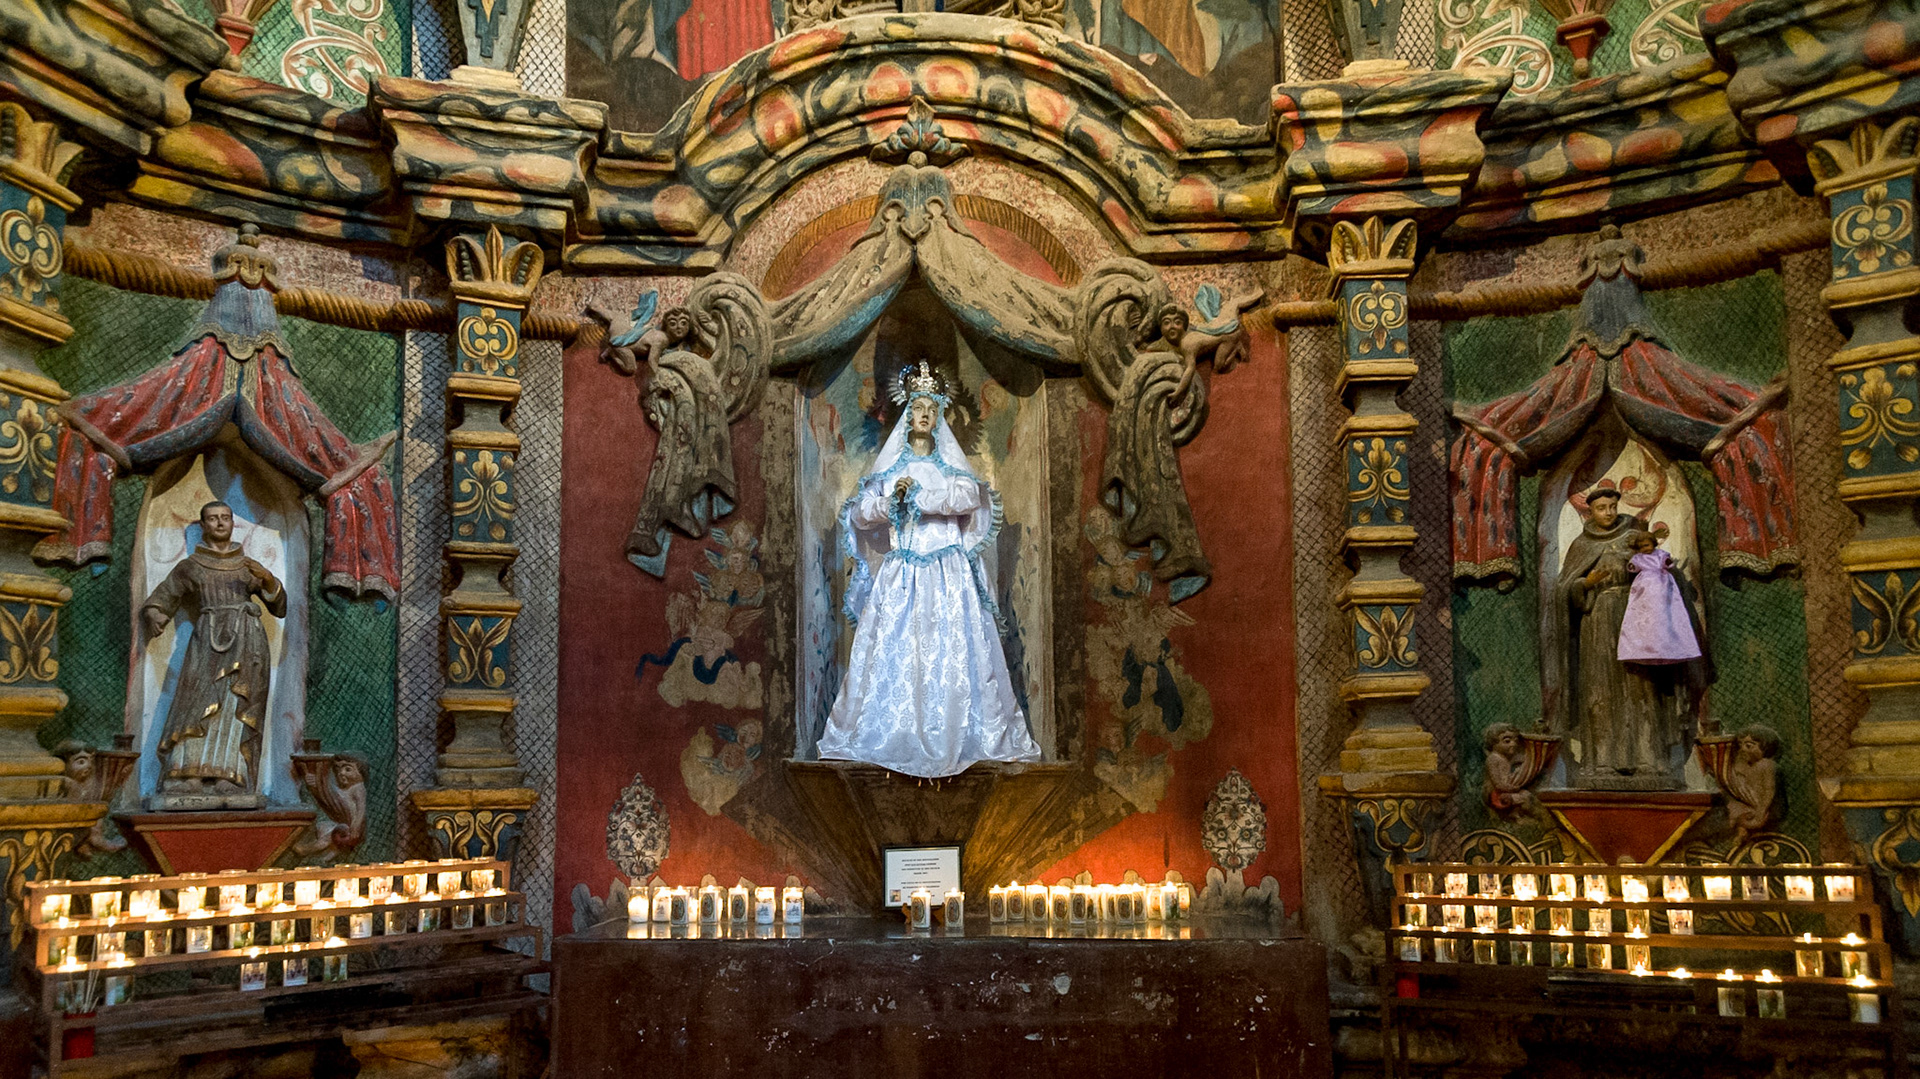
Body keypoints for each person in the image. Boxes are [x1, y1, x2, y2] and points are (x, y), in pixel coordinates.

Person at [817, 362, 1041, 777]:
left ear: (939, 417)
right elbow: (864, 512)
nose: (924, 415)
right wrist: (893, 503)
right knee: (897, 651)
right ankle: (891, 733)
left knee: (956, 651)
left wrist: (918, 497)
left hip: (948, 574)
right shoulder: (892, 467)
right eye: (917, 407)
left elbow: (967, 498)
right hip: (902, 573)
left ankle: (962, 733)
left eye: (931, 409)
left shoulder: (950, 466)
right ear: (908, 413)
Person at [142, 500, 285, 803]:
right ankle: (187, 772)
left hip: (248, 642)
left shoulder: (248, 566)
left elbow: (280, 607)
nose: (220, 523)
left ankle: (231, 775)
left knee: (235, 704)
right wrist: (155, 613)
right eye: (212, 519)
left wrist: (269, 579)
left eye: (225, 518)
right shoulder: (191, 566)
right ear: (203, 525)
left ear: (233, 524)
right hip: (206, 641)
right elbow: (164, 596)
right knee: (195, 700)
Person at [1618, 530, 1702, 664]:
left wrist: (1668, 562)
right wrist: (1631, 565)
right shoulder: (1639, 557)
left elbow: (1667, 563)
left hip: (1661, 583)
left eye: (1647, 545)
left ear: (1653, 543)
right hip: (1644, 586)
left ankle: (1669, 645)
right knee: (1644, 616)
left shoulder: (1660, 554)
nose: (1645, 549)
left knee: (1665, 614)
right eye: (1641, 547)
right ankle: (1644, 647)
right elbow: (1633, 567)